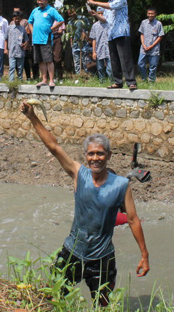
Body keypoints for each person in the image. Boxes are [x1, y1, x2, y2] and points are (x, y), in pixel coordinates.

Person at [19, 101, 150, 306]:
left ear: (108, 156)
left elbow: (133, 220)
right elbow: (53, 146)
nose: (95, 158)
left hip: (102, 258)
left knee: (102, 304)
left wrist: (144, 254)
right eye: (91, 153)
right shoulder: (79, 174)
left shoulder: (122, 185)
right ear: (86, 156)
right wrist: (32, 117)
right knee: (57, 299)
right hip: (73, 251)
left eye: (100, 153)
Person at [88, 0, 137, 90]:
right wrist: (95, 14)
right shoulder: (107, 5)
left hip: (121, 32)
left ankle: (131, 82)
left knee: (125, 59)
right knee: (114, 60)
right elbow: (105, 19)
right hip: (111, 34)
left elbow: (112, 6)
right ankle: (118, 82)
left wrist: (95, 2)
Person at [28, 0, 65, 88]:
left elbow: (61, 20)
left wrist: (52, 29)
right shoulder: (35, 11)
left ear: (46, 0)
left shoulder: (51, 10)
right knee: (40, 60)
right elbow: (30, 22)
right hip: (36, 39)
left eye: (41, 0)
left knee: (48, 60)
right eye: (38, 0)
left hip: (45, 39)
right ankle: (44, 79)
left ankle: (51, 80)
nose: (39, 2)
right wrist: (32, 31)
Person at [137, 7, 165, 83]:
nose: (150, 15)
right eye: (149, 13)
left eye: (152, 13)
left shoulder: (158, 24)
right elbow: (141, 34)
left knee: (153, 66)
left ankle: (151, 81)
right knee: (140, 64)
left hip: (154, 49)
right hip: (144, 49)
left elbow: (160, 36)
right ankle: (144, 79)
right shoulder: (143, 22)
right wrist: (143, 45)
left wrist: (151, 46)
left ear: (155, 14)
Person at [5, 11, 29, 81]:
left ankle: (20, 80)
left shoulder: (23, 29)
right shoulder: (9, 28)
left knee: (20, 67)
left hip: (20, 52)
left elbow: (27, 40)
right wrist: (5, 49)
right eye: (15, 19)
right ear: (13, 19)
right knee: (12, 67)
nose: (17, 20)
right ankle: (11, 81)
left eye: (18, 19)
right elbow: (5, 39)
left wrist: (24, 44)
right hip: (12, 51)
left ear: (20, 19)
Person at [89, 7, 112, 81]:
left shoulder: (109, 24)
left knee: (110, 68)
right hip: (99, 49)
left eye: (102, 13)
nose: (100, 15)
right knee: (100, 68)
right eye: (99, 13)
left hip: (109, 49)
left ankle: (111, 81)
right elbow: (94, 39)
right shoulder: (95, 25)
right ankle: (102, 81)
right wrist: (93, 52)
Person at [67, 8, 91, 75]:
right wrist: (71, 43)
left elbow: (88, 28)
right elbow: (70, 34)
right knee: (76, 60)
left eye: (71, 12)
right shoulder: (70, 22)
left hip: (83, 43)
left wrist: (86, 36)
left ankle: (87, 73)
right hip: (75, 44)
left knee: (85, 60)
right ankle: (78, 74)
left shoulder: (82, 19)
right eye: (69, 13)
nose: (71, 14)